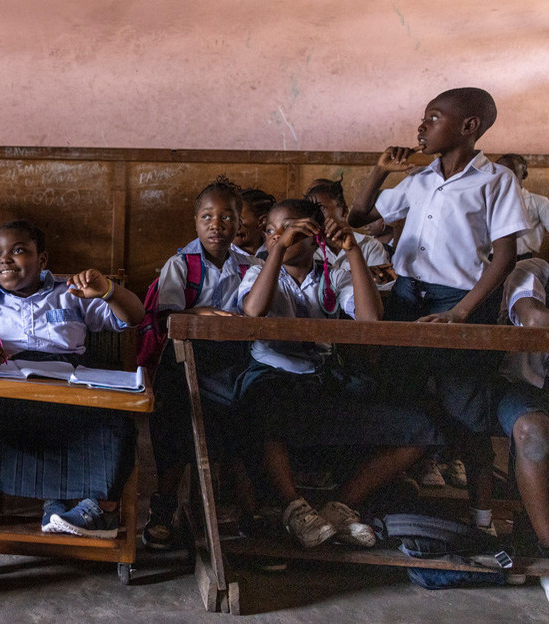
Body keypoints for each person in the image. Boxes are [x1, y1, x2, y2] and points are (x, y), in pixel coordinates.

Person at [347, 87, 528, 536]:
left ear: (468, 127)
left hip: (459, 301)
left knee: (465, 404)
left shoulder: (496, 181)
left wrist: (465, 312)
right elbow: (357, 217)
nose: (421, 126)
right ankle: (387, 500)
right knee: (398, 395)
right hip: (410, 297)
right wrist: (379, 171)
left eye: (432, 117)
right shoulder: (421, 178)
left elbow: (505, 257)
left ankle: (481, 518)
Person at [238, 199, 440, 549]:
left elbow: (369, 319)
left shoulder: (333, 273)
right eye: (271, 232)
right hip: (272, 376)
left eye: (291, 231)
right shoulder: (259, 271)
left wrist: (352, 251)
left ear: (315, 237)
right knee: (260, 408)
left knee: (419, 429)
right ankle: (295, 509)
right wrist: (279, 249)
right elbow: (254, 310)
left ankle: (339, 506)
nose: (277, 238)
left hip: (323, 380)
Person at [0, 219, 145, 537]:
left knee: (116, 421)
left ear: (42, 260)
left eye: (18, 251)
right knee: (5, 425)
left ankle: (99, 509)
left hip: (72, 394)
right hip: (12, 399)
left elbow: (133, 317)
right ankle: (56, 504)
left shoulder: (71, 293)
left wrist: (108, 291)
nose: (4, 259)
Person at [143, 177, 260, 550]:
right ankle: (163, 505)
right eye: (207, 216)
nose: (216, 224)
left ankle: (240, 506)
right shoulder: (180, 264)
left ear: (239, 223)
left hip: (233, 359)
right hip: (183, 357)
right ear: (195, 221)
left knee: (243, 415)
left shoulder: (251, 265)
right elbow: (166, 318)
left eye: (227, 217)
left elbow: (253, 313)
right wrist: (204, 313)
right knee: (177, 416)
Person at [496, 258, 549, 560]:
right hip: (522, 388)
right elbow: (535, 321)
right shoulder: (533, 270)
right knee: (532, 431)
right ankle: (546, 540)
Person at [304, 178, 391, 281]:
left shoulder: (370, 246)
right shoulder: (306, 250)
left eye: (321, 208)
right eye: (310, 211)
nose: (315, 215)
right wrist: (365, 273)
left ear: (344, 211)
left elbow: (381, 284)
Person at [497, 153, 549, 261]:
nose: (505, 176)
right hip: (489, 260)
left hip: (523, 260)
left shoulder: (539, 202)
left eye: (512, 172)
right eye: (500, 171)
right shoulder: (486, 200)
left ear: (524, 174)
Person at [235, 188, 275, 259]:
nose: (232, 224)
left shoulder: (276, 248)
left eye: (239, 219)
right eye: (228, 218)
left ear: (261, 221)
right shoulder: (222, 254)